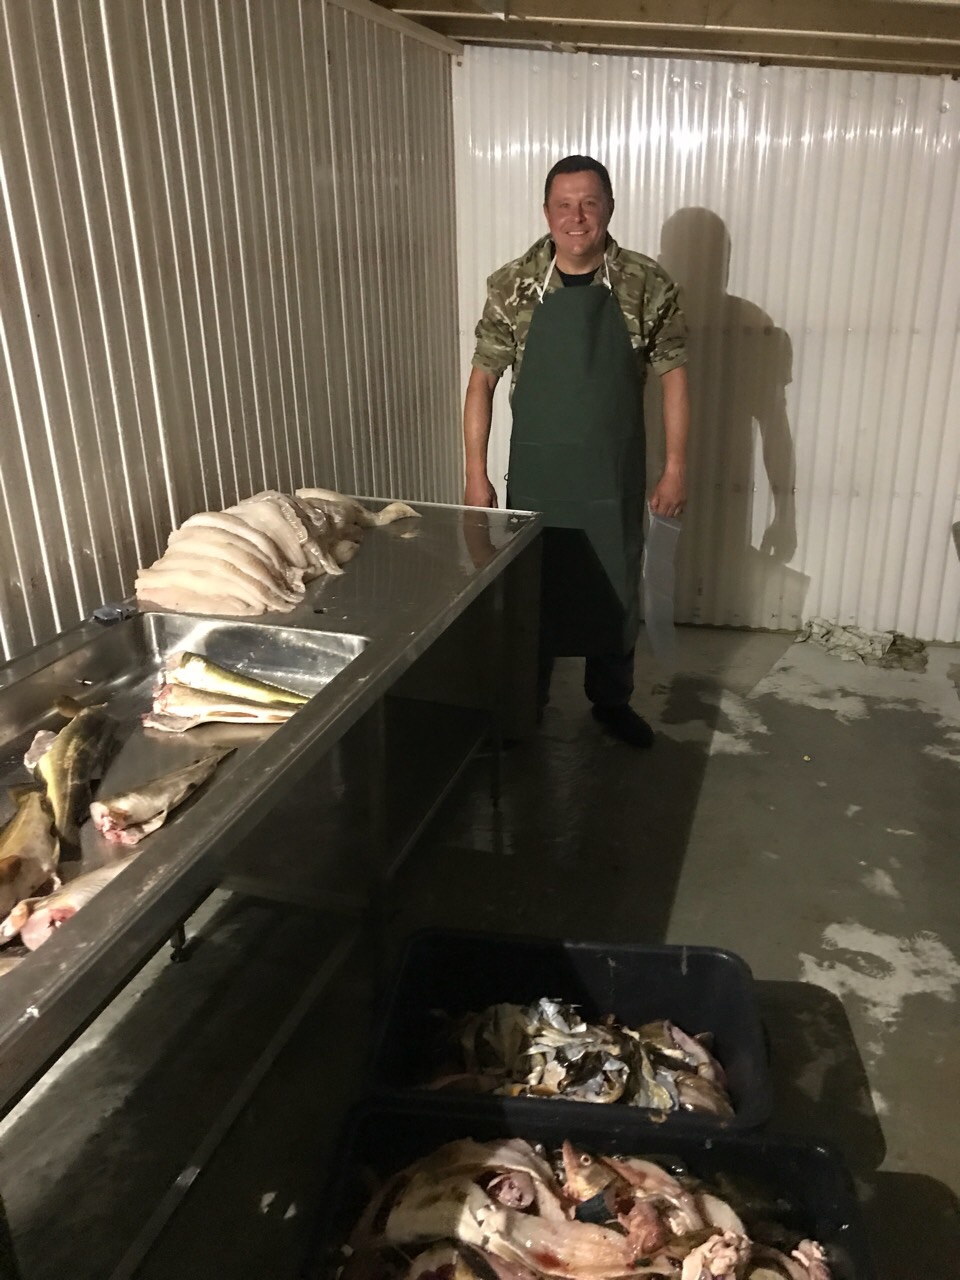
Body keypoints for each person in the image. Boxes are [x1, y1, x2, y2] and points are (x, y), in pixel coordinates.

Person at [463, 155, 689, 747]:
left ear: (609, 207)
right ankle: (526, 703)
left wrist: (675, 468)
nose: (577, 217)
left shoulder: (647, 284)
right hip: (539, 476)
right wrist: (475, 474)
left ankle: (611, 702)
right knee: (534, 589)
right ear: (547, 212)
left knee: (615, 584)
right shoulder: (512, 285)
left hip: (611, 475)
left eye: (589, 203)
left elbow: (674, 377)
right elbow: (482, 381)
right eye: (564, 205)